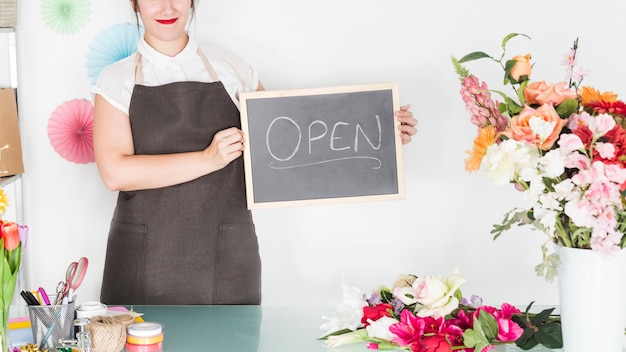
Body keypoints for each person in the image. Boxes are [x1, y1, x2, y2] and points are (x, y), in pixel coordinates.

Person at [92, 0, 418, 305]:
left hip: (227, 253)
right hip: (144, 255)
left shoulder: (233, 67)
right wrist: (208, 158)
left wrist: (378, 134)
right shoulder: (115, 79)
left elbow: (290, 147)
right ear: (134, 2)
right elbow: (115, 173)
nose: (166, 7)